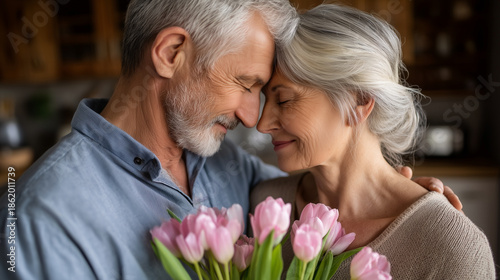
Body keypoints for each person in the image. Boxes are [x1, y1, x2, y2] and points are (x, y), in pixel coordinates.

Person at [0, 0, 453, 279]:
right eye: (246, 83)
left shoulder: (230, 167)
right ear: (171, 53)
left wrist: (406, 197)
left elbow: (328, 186)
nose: (252, 116)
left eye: (268, 92)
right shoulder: (37, 217)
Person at [251, 4, 495, 279]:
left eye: (283, 100)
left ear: (359, 101)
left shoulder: (451, 248)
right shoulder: (266, 206)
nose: (262, 124)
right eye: (265, 101)